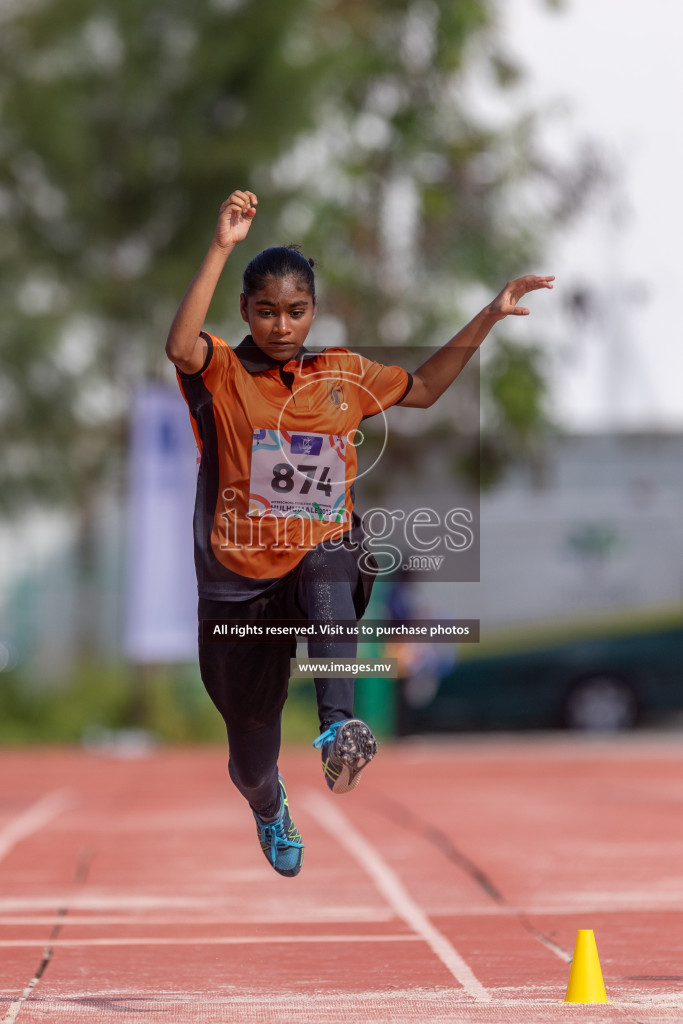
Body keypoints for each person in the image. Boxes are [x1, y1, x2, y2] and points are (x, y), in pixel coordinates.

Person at [165, 188, 554, 878]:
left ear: (312, 310)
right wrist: (221, 246)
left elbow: (426, 388)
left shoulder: (341, 374)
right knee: (250, 762)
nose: (281, 324)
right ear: (244, 312)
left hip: (314, 568)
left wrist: (488, 316)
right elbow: (177, 344)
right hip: (235, 588)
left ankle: (336, 724)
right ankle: (267, 804)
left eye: (295, 310)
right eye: (265, 311)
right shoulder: (220, 372)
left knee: (336, 545)